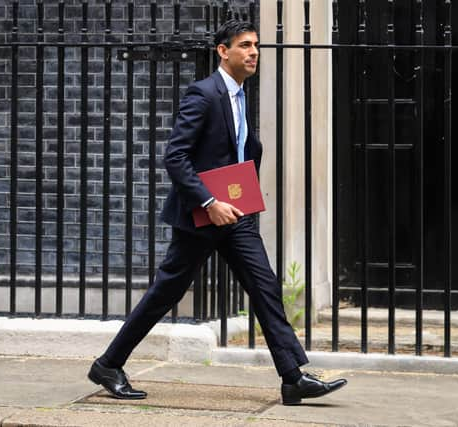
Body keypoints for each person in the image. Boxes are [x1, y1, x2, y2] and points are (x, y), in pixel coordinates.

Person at [87, 19, 347, 406]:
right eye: (244, 45)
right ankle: (109, 364)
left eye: (256, 45)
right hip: (202, 217)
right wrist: (210, 201)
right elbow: (175, 157)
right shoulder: (204, 94)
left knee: (265, 287)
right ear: (222, 51)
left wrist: (238, 197)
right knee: (165, 293)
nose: (253, 51)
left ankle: (293, 378)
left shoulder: (241, 95)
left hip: (236, 215)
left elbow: (239, 152)